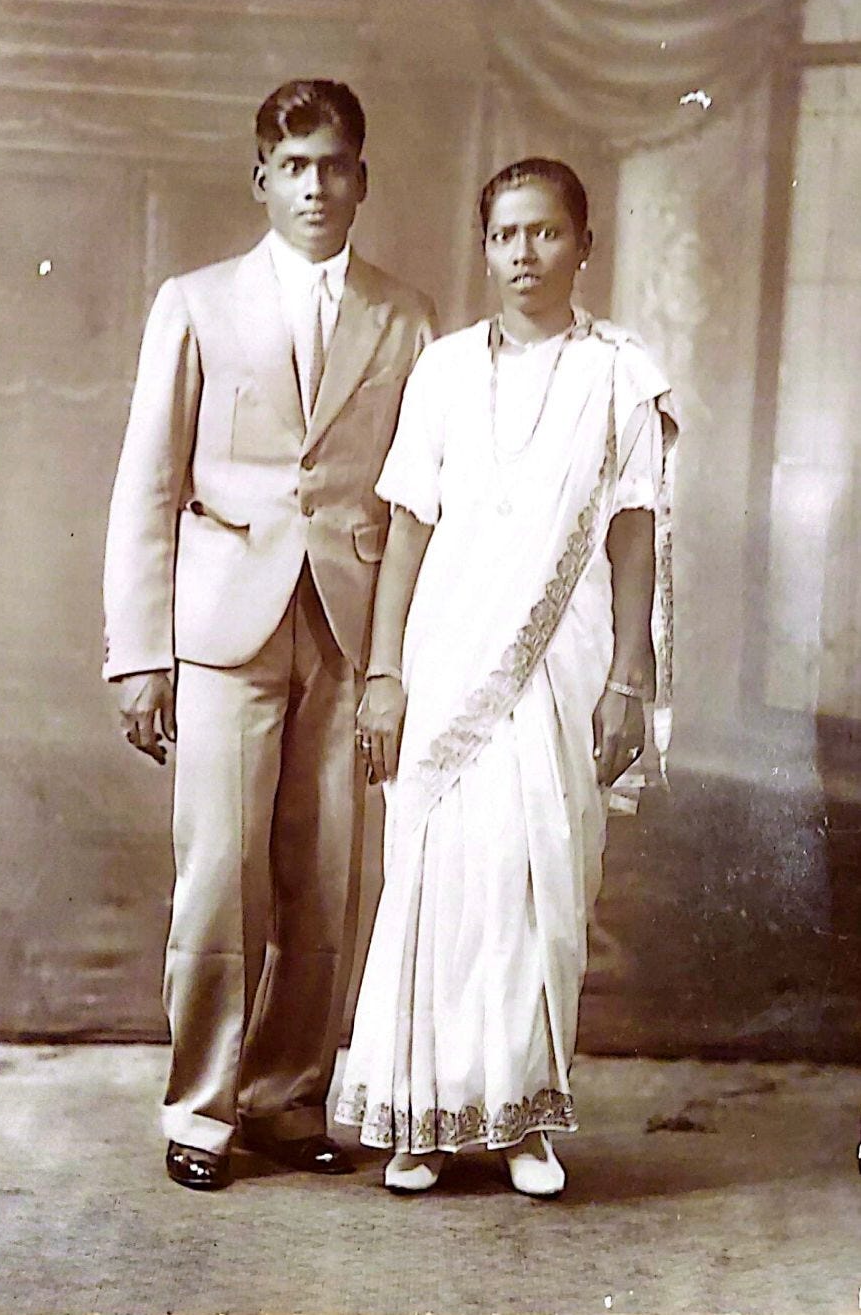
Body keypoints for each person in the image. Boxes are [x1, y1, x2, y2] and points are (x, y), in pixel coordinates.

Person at [103, 79, 436, 1191]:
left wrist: (397, 664)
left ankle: (287, 1095)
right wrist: (138, 652)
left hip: (346, 630)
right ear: (261, 179)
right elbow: (147, 483)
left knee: (329, 875)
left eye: (334, 163)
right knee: (219, 875)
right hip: (222, 627)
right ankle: (200, 1107)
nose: (315, 185)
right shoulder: (194, 302)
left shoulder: (405, 316)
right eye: (293, 166)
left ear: (362, 178)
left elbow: (426, 499)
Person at [335, 158, 678, 1196]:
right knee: (439, 879)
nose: (523, 254)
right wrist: (385, 670)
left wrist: (629, 677)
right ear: (483, 247)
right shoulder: (440, 370)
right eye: (503, 236)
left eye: (544, 233)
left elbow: (631, 536)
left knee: (537, 883)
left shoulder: (619, 374)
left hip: (562, 662)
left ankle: (522, 1118)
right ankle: (420, 1118)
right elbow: (405, 530)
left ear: (584, 244)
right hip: (447, 657)